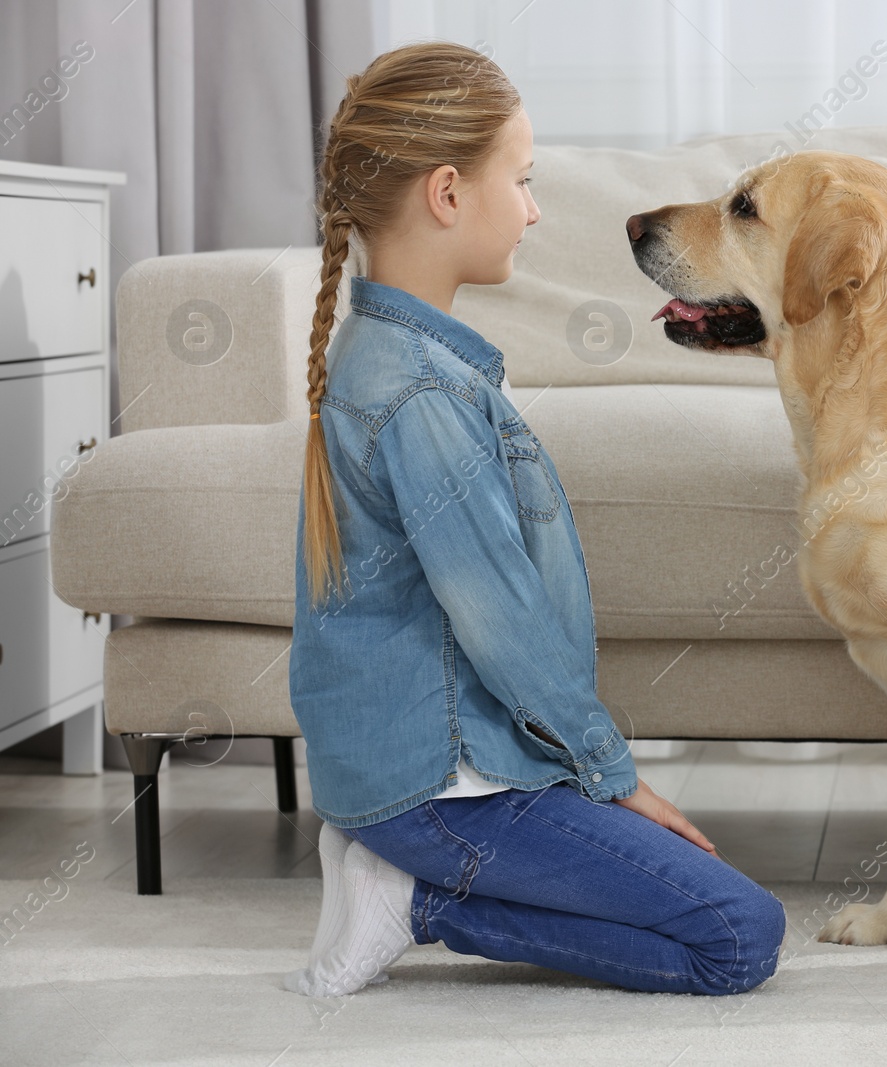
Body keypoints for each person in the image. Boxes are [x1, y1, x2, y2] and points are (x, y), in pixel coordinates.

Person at [282, 41, 787, 999]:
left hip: (434, 776)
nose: (534, 208)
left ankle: (409, 872)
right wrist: (613, 779)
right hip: (443, 795)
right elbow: (502, 619)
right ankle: (417, 898)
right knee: (737, 936)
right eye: (520, 180)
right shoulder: (417, 390)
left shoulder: (396, 357)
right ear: (446, 195)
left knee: (705, 912)